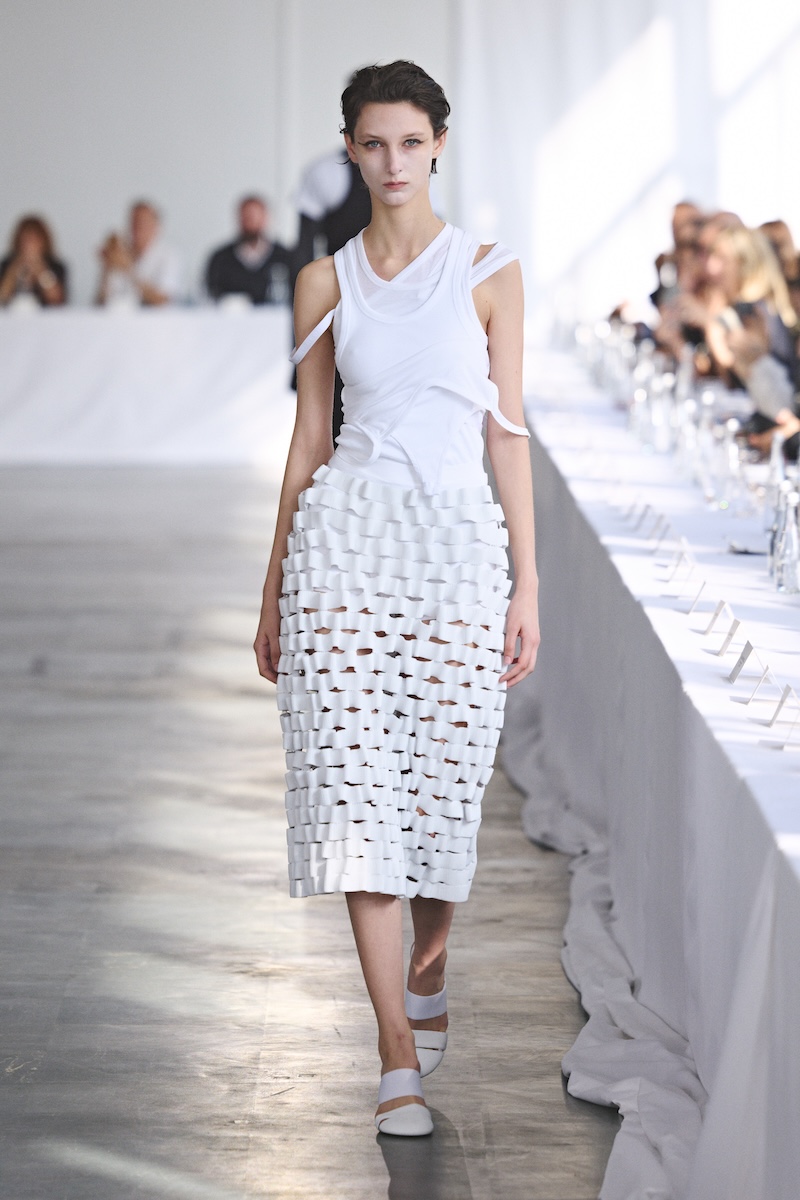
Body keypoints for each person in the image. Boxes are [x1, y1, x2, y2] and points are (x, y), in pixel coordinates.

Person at [253, 61, 539, 1137]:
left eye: (409, 143)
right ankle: (393, 1056)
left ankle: (430, 960)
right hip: (344, 550)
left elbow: (506, 434)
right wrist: (274, 590)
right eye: (372, 144)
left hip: (457, 550)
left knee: (445, 788)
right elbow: (307, 440)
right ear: (350, 150)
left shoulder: (490, 272)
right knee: (353, 793)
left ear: (438, 146)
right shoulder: (322, 282)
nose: (391, 163)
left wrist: (528, 581)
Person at [204, 195, 293, 304]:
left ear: (265, 218)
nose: (251, 223)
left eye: (255, 217)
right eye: (247, 217)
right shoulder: (220, 259)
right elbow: (212, 293)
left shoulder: (284, 257)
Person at [96, 201, 184, 306]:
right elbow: (101, 303)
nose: (137, 228)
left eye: (142, 223)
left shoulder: (170, 255)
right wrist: (107, 268)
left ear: (156, 227)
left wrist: (128, 270)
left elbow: (163, 300)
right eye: (133, 223)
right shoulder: (121, 253)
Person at [0, 215, 67, 307]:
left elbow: (56, 299)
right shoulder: (7, 264)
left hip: (45, 314)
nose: (29, 244)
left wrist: (40, 269)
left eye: (34, 239)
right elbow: (2, 296)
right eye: (25, 240)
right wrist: (15, 268)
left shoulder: (55, 266)